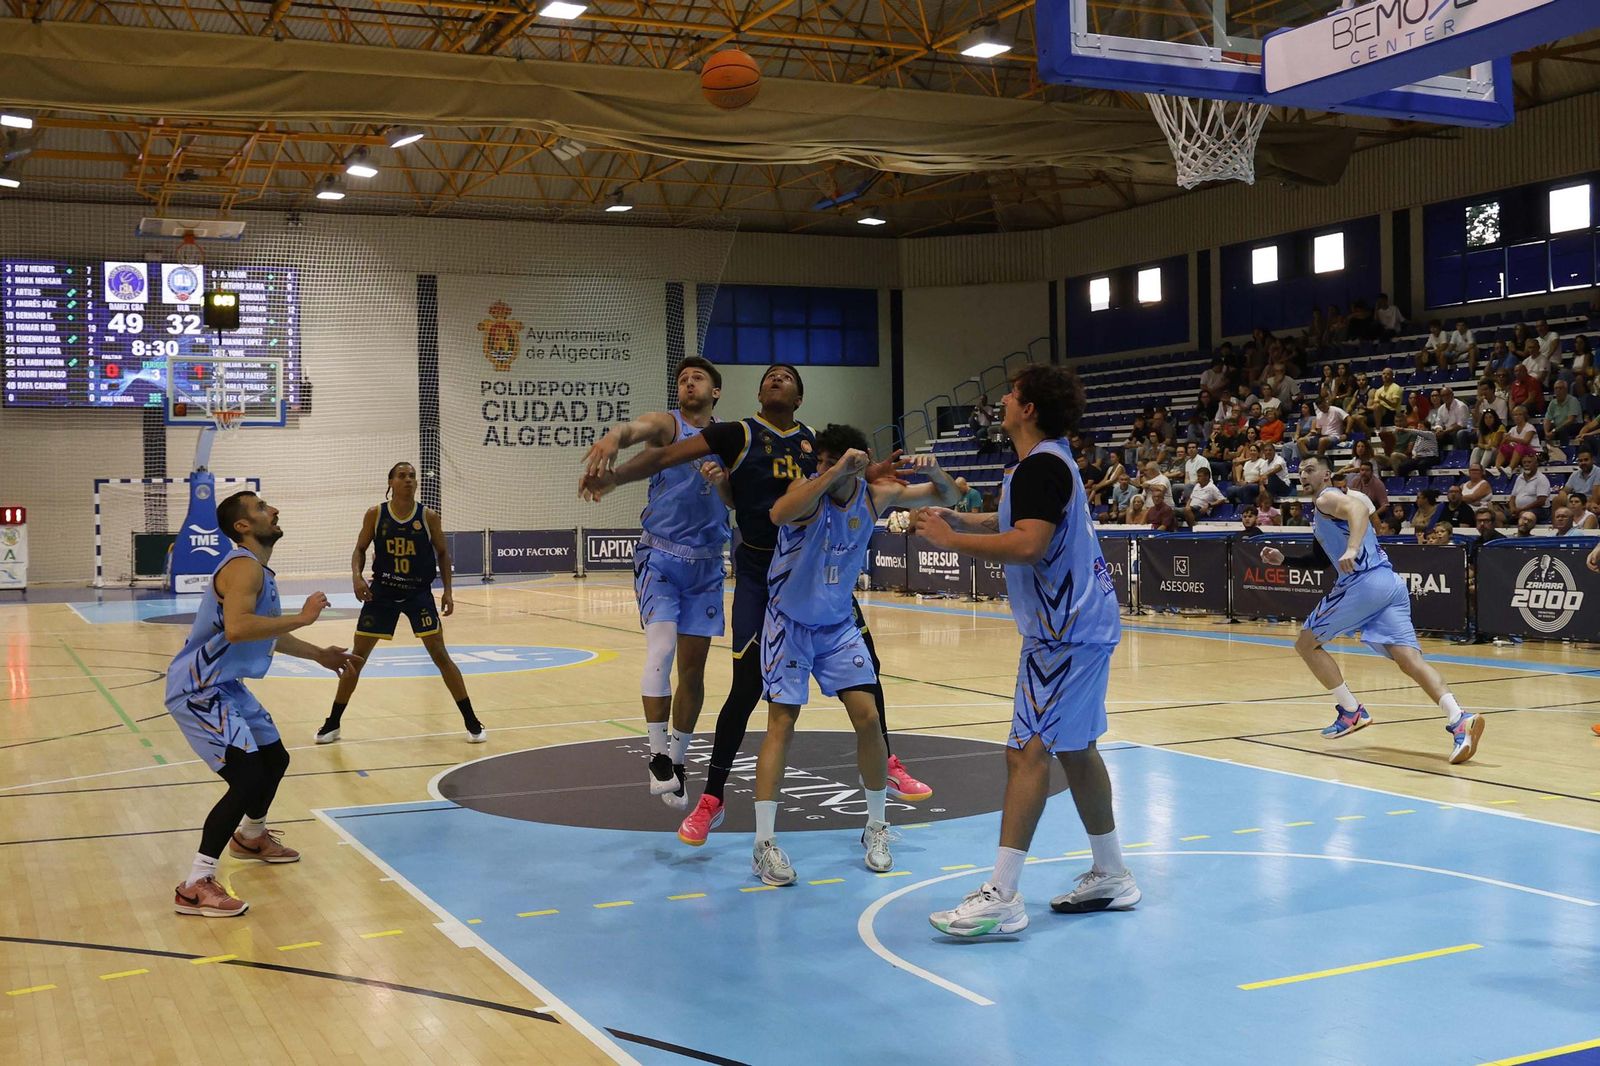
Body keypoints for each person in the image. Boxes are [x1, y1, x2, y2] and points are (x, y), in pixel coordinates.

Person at [579, 363, 937, 845]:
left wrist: (866, 472)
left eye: (787, 376)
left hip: (811, 575)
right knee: (745, 687)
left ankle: (886, 762)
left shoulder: (813, 442)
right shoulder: (736, 433)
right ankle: (713, 798)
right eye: (769, 375)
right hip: (757, 574)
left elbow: (841, 481)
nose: (776, 378)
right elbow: (664, 456)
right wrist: (615, 475)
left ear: (800, 397)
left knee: (867, 670)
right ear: (757, 391)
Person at [915, 364, 1137, 936]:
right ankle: (1112, 873)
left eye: (1012, 395)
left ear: (1029, 408)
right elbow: (1021, 518)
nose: (1004, 402)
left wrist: (951, 539)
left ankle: (1003, 894)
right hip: (1081, 625)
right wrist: (963, 517)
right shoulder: (1045, 463)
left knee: (1026, 752)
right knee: (1077, 750)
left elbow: (1029, 543)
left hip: (1065, 631)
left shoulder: (1041, 465)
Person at [750, 425, 959, 885]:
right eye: (823, 462)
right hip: (789, 625)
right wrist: (834, 471)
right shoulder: (808, 494)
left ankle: (876, 827)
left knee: (868, 718)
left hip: (838, 625)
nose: (826, 468)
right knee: (782, 724)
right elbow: (779, 513)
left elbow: (949, 496)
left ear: (861, 462)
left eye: (838, 460)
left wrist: (936, 472)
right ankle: (764, 844)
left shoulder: (874, 496)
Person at [167, 491, 363, 916]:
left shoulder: (255, 569)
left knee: (274, 759)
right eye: (261, 508)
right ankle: (195, 884)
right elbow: (238, 629)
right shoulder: (242, 568)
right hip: (199, 689)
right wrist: (304, 617)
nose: (273, 510)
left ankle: (251, 837)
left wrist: (318, 654)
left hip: (225, 685)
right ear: (242, 526)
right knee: (247, 778)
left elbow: (263, 630)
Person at [1257, 457, 1483, 764]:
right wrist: (1284, 560)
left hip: (1363, 585)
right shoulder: (1324, 511)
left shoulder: (1327, 498)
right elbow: (1320, 560)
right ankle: (1460, 719)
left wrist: (1352, 547)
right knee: (1409, 660)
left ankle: (1351, 711)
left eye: (1310, 470)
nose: (1304, 475)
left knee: (1306, 644)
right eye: (1301, 471)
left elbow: (1359, 510)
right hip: (1389, 583)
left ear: (1327, 474)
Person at [580, 357, 730, 806]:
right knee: (661, 648)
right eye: (682, 379)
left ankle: (678, 763)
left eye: (697, 377)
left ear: (716, 391)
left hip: (707, 563)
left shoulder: (729, 437)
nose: (688, 383)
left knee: (693, 671)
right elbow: (636, 429)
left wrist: (723, 481)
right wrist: (613, 437)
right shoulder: (670, 425)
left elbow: (735, 500)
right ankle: (658, 754)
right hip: (661, 556)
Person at [315, 462, 484, 745]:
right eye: (402, 476)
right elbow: (359, 549)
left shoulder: (428, 516)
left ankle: (471, 720)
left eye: (412, 476)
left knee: (440, 655)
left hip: (418, 594)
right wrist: (357, 577)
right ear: (390, 482)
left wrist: (448, 591)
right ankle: (333, 723)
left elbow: (443, 553)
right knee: (357, 657)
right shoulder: (375, 514)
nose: (408, 480)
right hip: (382, 593)